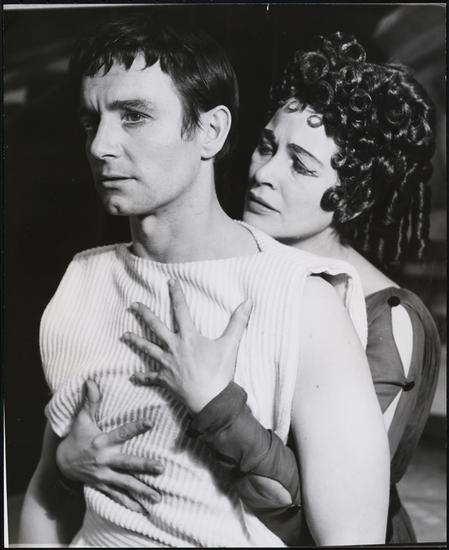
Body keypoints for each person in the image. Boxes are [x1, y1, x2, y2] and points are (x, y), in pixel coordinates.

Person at [52, 31, 440, 546]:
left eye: (301, 165)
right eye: (266, 146)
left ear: (353, 196)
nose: (264, 173)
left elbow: (319, 512)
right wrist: (67, 462)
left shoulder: (387, 317)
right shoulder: (224, 267)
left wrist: (217, 404)